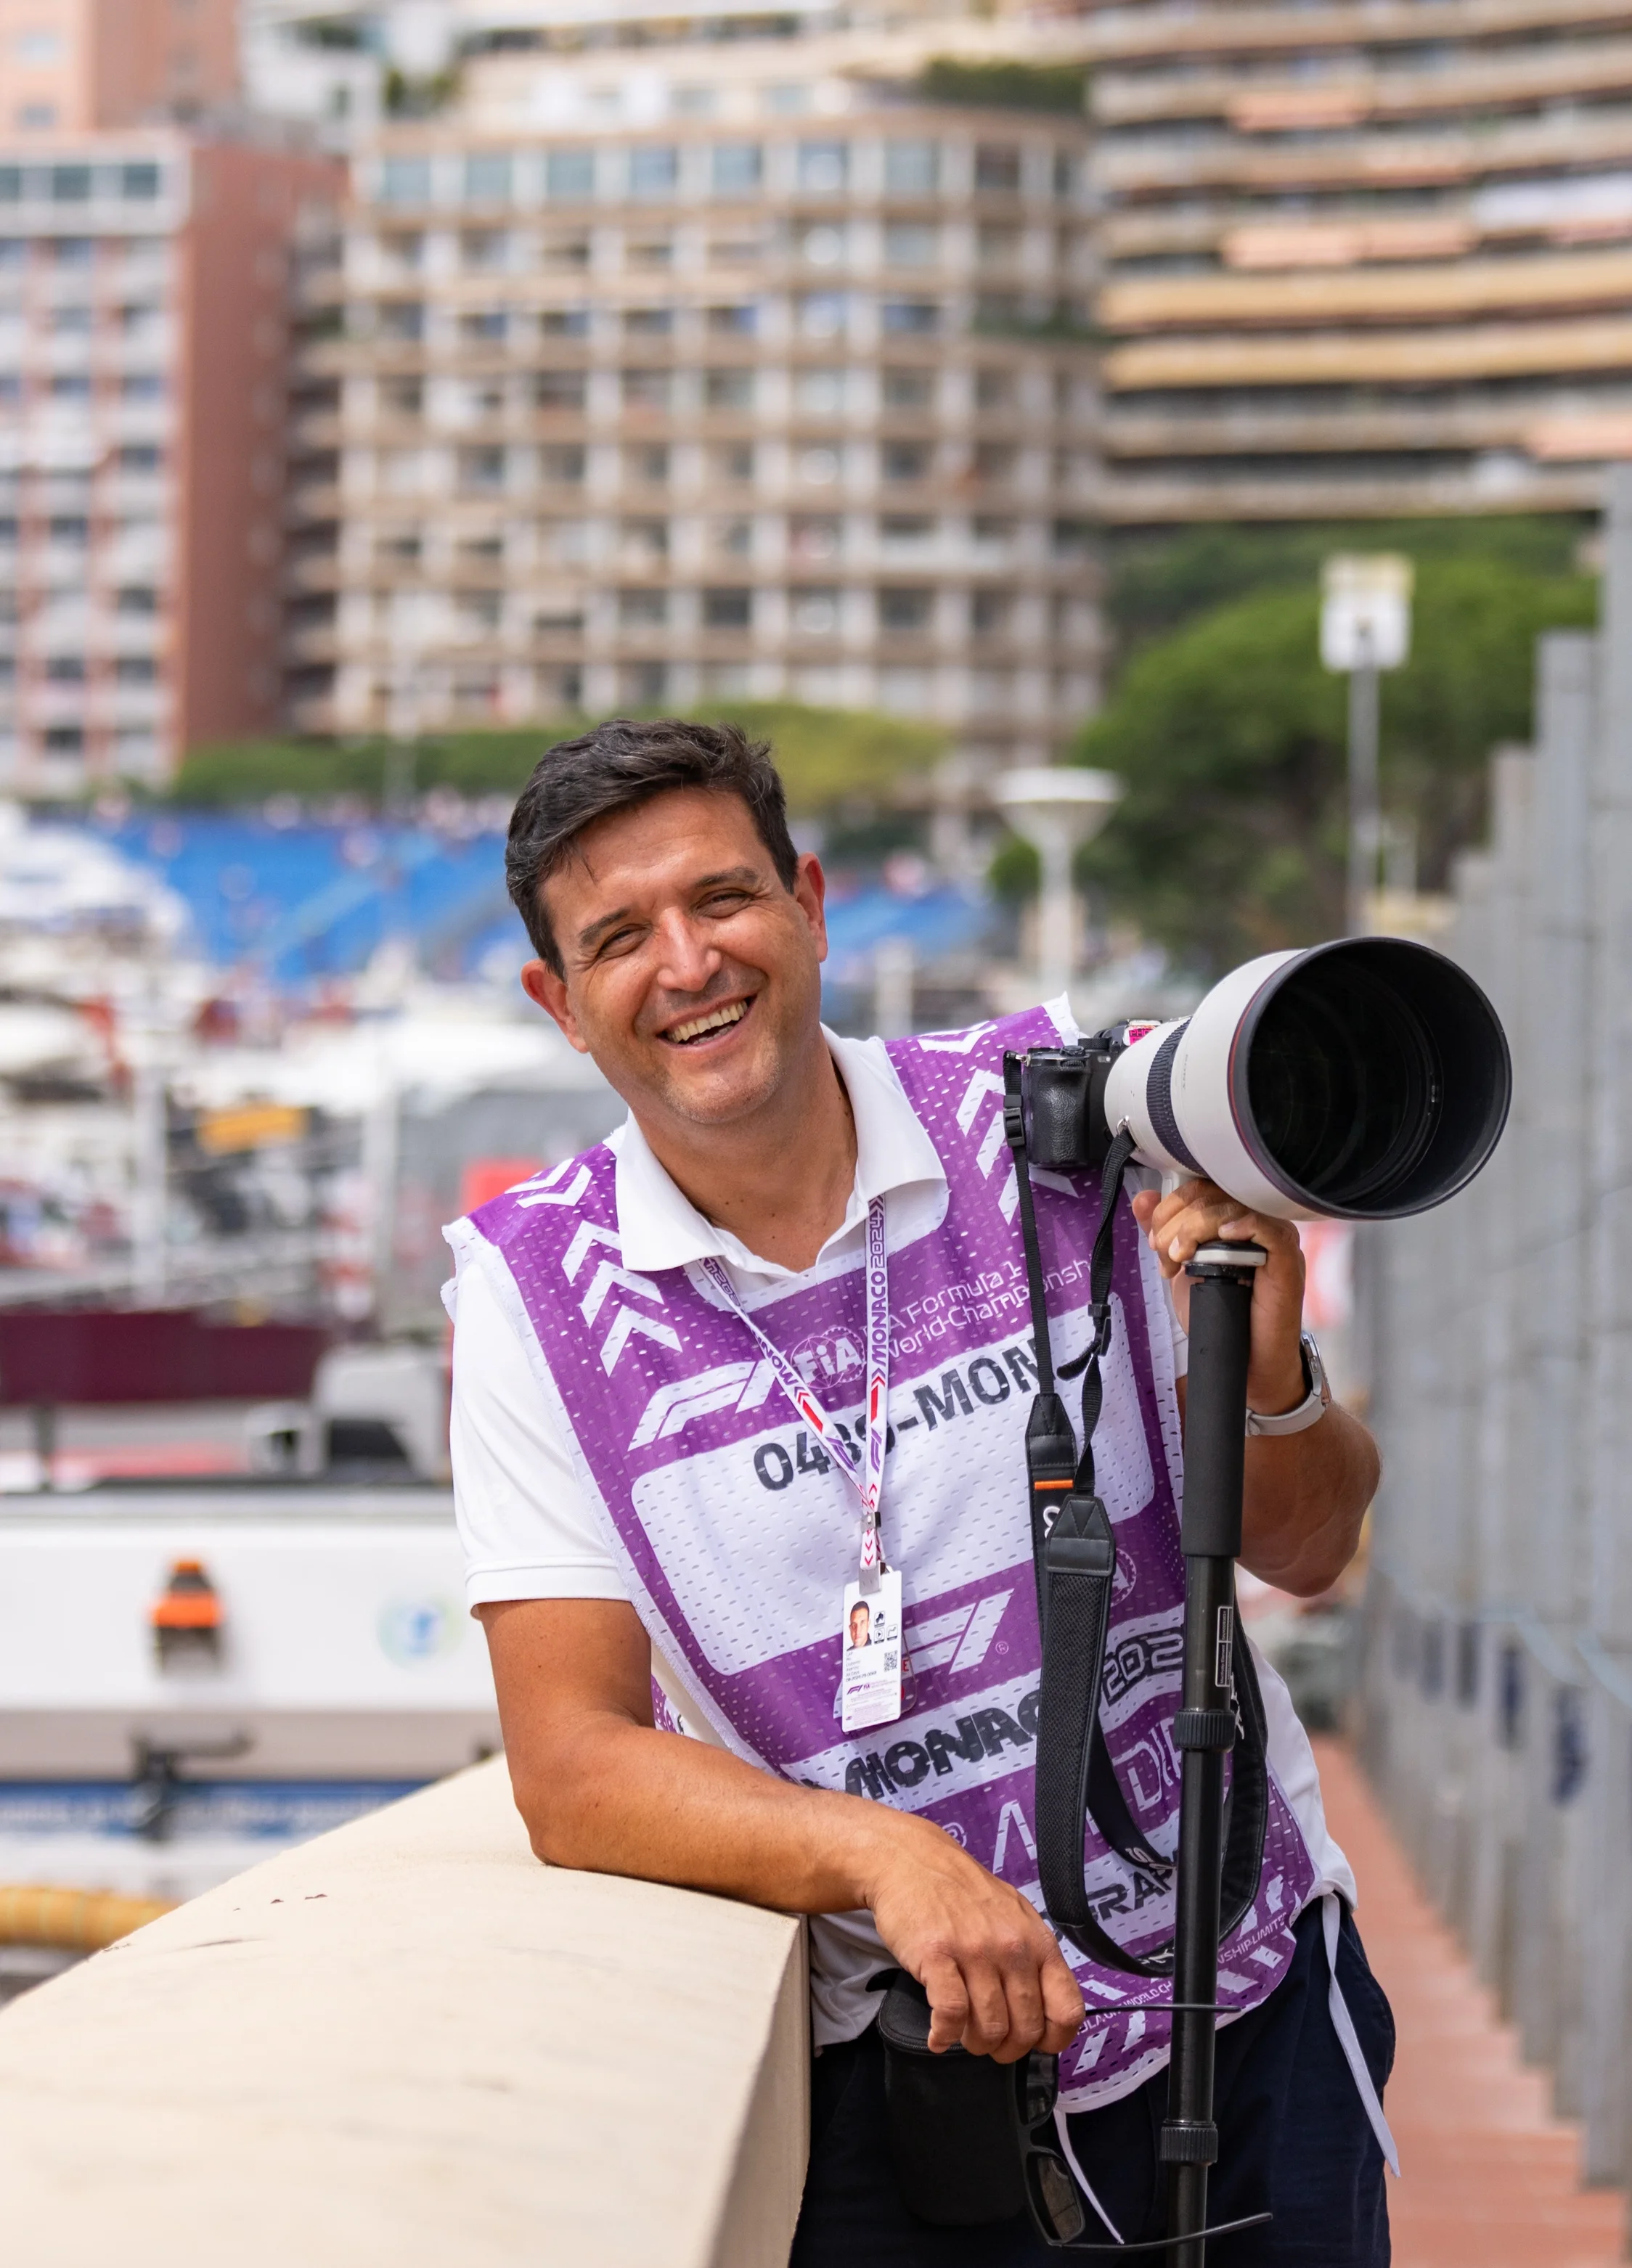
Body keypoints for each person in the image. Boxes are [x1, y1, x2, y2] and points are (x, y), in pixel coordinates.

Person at [446, 719, 1396, 2264]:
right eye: (619, 937)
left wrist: (1269, 1372)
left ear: (809, 902)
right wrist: (884, 1855)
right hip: (904, 2075)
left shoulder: (1057, 1112)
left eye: (724, 898)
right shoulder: (534, 1289)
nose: (687, 963)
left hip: (1248, 1996)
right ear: (559, 1002)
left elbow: (1310, 1544)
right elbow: (570, 1762)